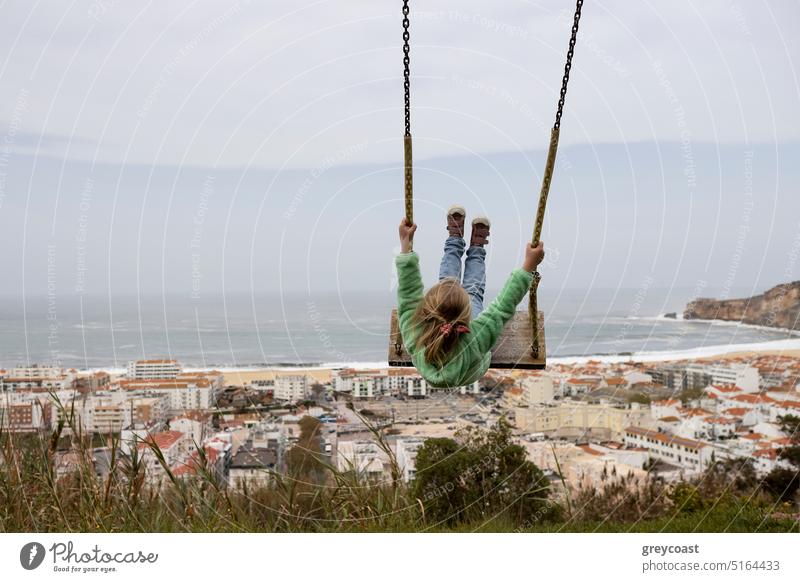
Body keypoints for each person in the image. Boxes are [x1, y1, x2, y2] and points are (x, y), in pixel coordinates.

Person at [395, 205, 545, 388]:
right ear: (466, 317)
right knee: (464, 288)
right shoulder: (474, 339)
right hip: (474, 366)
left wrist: (527, 267)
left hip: (465, 353)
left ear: (427, 311)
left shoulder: (416, 337)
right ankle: (472, 246)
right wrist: (405, 245)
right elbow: (501, 309)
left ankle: (458, 239)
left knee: (465, 289)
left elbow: (408, 295)